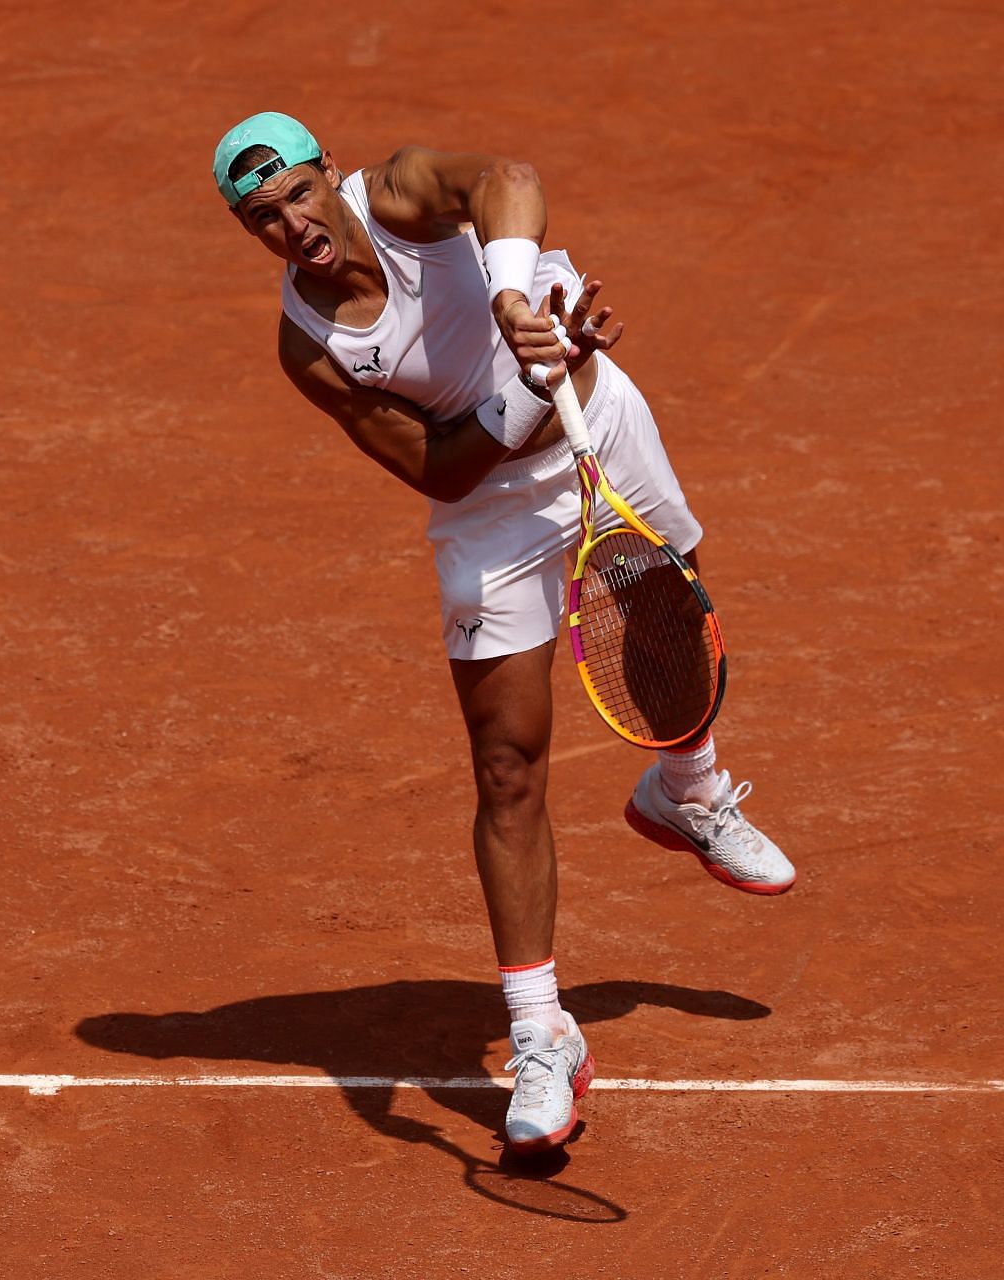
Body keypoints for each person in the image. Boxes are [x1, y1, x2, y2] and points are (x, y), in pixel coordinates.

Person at [212, 111, 795, 1154]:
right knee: (506, 763)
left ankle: (687, 787)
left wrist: (518, 305)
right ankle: (542, 1032)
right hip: (489, 512)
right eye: (264, 217)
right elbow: (433, 465)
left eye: (298, 192)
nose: (293, 223)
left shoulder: (397, 195)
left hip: (601, 421)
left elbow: (510, 177)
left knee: (673, 634)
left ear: (328, 172)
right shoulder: (308, 345)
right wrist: (522, 394)